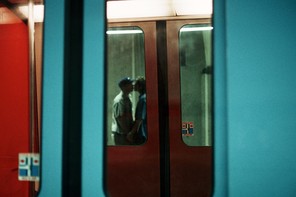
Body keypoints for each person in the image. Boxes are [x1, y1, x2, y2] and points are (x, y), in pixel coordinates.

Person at [111, 77, 134, 145]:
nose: (132, 85)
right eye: (130, 84)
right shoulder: (119, 100)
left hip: (125, 133)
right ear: (124, 87)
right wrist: (128, 134)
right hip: (121, 135)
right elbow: (120, 119)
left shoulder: (128, 97)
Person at [127, 76, 147, 145]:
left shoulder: (143, 99)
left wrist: (132, 133)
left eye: (135, 84)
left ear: (140, 87)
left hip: (143, 132)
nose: (133, 85)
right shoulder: (143, 97)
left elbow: (140, 119)